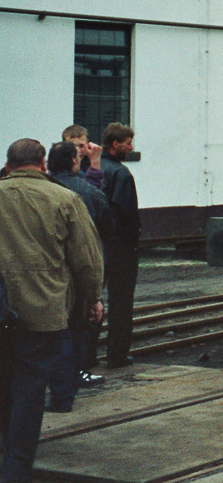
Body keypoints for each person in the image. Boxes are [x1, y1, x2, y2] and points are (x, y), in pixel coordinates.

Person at [0, 139, 104, 482]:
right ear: (43, 163)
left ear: (8, 163)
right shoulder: (65, 200)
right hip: (42, 313)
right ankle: (15, 469)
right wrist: (92, 299)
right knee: (30, 390)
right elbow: (87, 261)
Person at [46, 142, 112, 409]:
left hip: (49, 275)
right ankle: (66, 390)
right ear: (75, 161)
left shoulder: (44, 191)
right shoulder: (89, 193)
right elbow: (108, 228)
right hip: (82, 273)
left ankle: (55, 389)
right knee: (78, 332)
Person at [99, 123, 140, 369]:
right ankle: (117, 354)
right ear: (116, 144)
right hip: (121, 248)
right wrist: (133, 243)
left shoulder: (90, 168)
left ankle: (86, 356)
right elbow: (127, 215)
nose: (131, 147)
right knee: (121, 303)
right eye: (128, 143)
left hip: (98, 244)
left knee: (91, 300)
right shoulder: (121, 173)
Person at [60, 125, 104, 190]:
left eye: (81, 146)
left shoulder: (94, 166)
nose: (77, 150)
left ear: (87, 145)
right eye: (73, 146)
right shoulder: (58, 167)